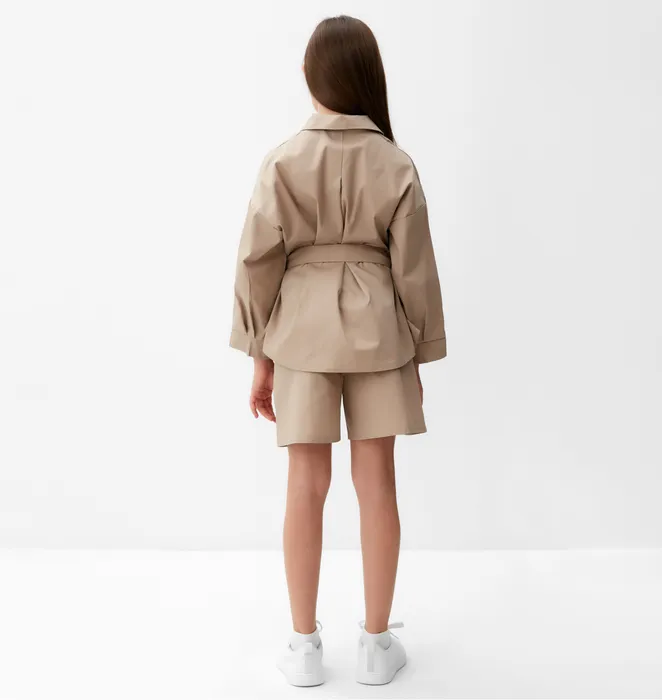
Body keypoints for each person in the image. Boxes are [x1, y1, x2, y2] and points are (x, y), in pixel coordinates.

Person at [229, 14, 446, 687]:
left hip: (299, 332)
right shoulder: (396, 162)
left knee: (305, 484)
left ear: (308, 76)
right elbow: (415, 268)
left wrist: (259, 354)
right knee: (377, 484)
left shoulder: (283, 161)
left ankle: (304, 649)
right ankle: (377, 646)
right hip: (380, 332)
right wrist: (420, 351)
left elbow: (257, 262)